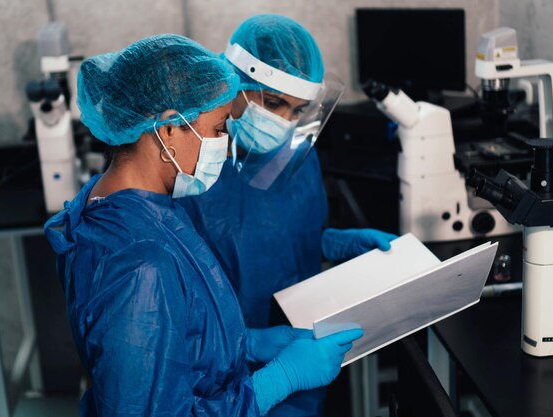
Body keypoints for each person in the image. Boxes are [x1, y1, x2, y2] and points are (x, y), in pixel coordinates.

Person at [44, 34, 363, 416]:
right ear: (168, 132)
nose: (225, 142)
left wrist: (250, 343)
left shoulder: (133, 204)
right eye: (218, 129)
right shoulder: (140, 267)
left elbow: (175, 334)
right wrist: (279, 380)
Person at [178, 14, 398, 416]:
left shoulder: (295, 155)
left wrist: (334, 241)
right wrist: (248, 345)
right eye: (274, 102)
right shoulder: (191, 164)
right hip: (216, 374)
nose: (282, 123)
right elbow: (174, 300)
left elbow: (286, 235)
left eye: (297, 110)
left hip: (297, 356)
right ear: (233, 82)